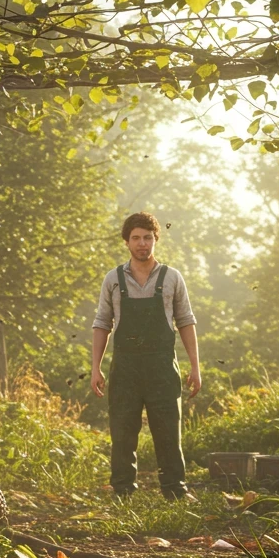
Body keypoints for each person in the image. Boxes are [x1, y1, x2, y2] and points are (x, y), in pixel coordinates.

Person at [90, 212, 201, 499]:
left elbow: (186, 321)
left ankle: (175, 490)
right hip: (125, 367)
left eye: (148, 238)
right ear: (127, 242)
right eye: (136, 238)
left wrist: (195, 367)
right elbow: (102, 323)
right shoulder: (113, 279)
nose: (142, 244)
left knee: (168, 432)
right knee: (123, 431)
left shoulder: (172, 277)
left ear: (156, 240)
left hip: (162, 366)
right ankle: (122, 491)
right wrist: (95, 368)